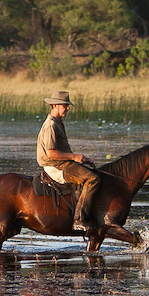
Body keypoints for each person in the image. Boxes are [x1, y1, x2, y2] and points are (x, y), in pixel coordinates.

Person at [36, 91, 100, 231]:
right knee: (93, 179)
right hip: (55, 166)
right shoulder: (51, 125)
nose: (68, 108)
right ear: (55, 106)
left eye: (67, 105)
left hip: (63, 163)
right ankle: (79, 220)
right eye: (65, 105)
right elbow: (51, 153)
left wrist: (81, 160)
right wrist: (74, 157)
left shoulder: (59, 123)